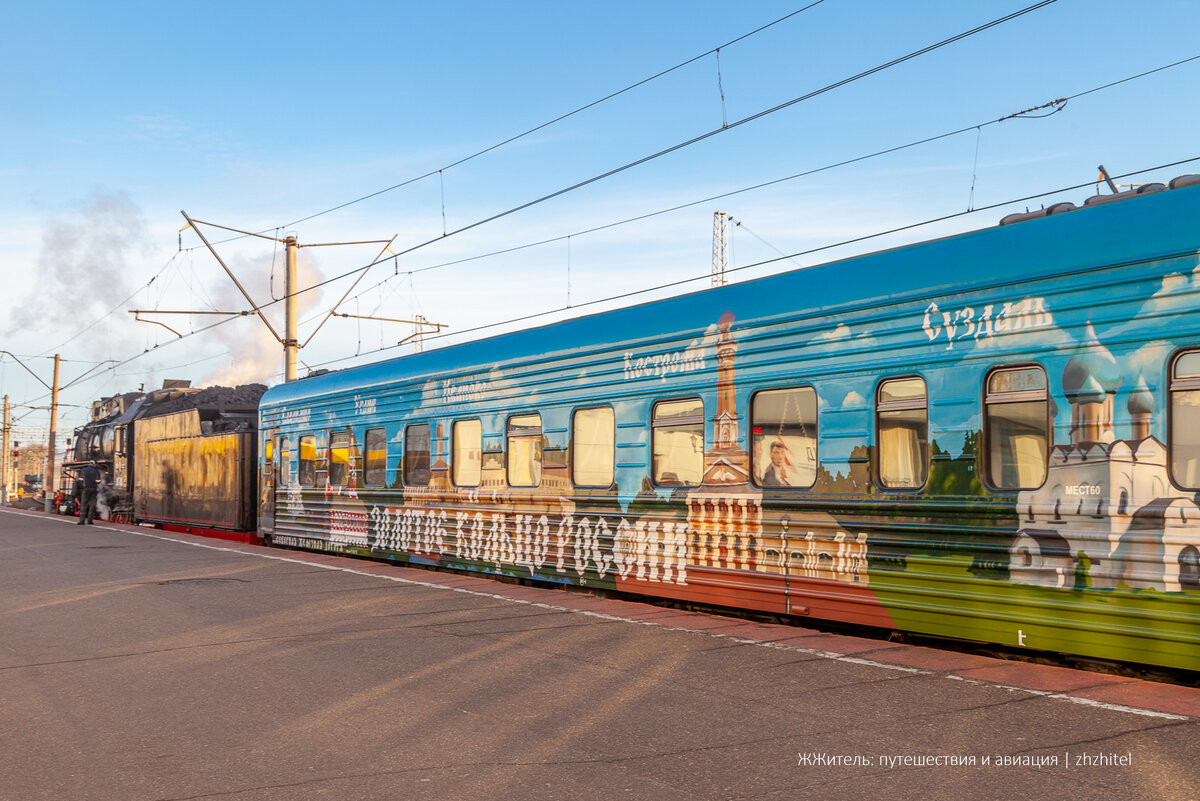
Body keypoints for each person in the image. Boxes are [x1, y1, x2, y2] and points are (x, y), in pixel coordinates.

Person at [78, 461, 100, 525]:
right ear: (94, 464)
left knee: (84, 504)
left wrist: (82, 487)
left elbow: (80, 480)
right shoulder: (96, 471)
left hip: (86, 489)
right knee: (92, 504)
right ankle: (90, 521)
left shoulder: (84, 470)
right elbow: (98, 481)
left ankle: (82, 521)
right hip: (93, 489)